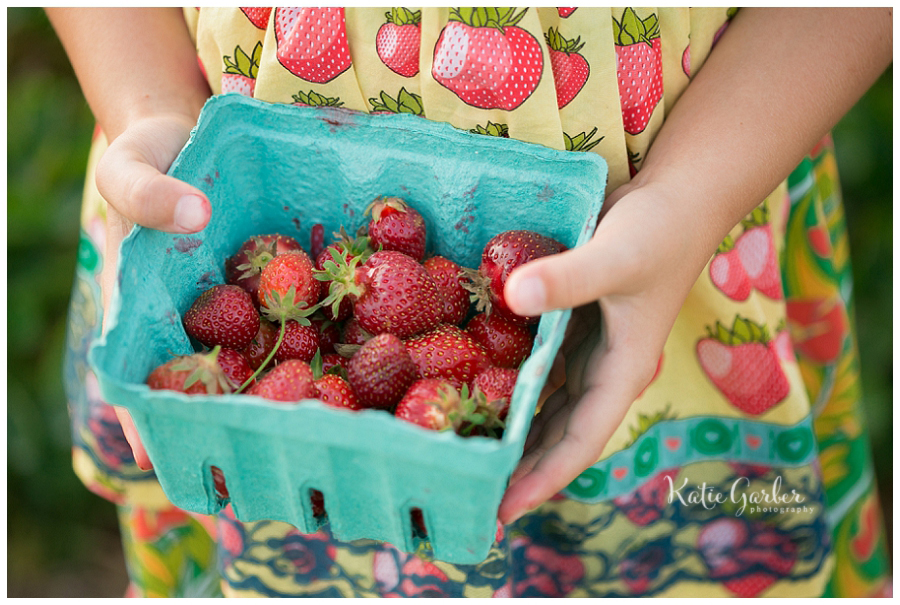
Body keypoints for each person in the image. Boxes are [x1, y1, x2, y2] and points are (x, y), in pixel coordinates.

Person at [49, 7, 891, 598]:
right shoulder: (318, 321)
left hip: (673, 241)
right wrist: (149, 107)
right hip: (208, 174)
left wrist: (691, 200)